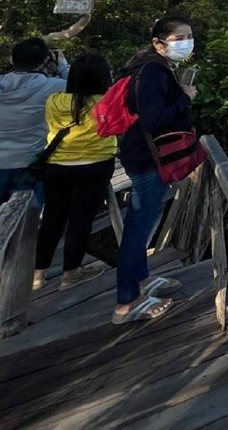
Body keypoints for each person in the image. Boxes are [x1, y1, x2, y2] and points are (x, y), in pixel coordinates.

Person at [0, 38, 68, 273]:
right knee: (28, 215)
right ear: (45, 60)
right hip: (31, 161)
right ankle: (18, 265)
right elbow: (79, 84)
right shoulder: (52, 87)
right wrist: (63, 63)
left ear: (12, 60)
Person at [112, 17, 197, 324]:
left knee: (143, 222)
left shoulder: (149, 66)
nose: (186, 41)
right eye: (179, 37)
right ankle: (126, 304)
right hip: (149, 159)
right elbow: (151, 119)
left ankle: (143, 280)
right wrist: (184, 99)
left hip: (143, 155)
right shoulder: (151, 71)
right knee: (137, 229)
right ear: (158, 43)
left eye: (189, 36)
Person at [32, 53, 116, 292]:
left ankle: (38, 275)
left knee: (52, 219)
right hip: (95, 165)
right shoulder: (106, 103)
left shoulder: (54, 100)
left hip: (57, 166)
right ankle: (70, 275)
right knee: (81, 219)